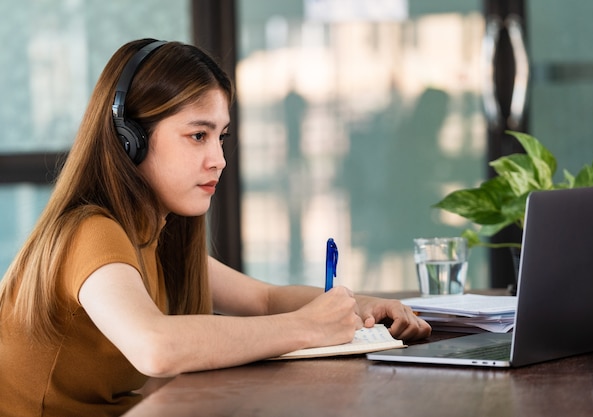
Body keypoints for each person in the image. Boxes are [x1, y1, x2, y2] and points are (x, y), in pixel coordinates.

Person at [0, 39, 431, 417]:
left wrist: (362, 306)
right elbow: (155, 345)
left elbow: (263, 300)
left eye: (221, 136)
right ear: (129, 138)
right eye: (197, 136)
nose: (218, 159)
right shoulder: (90, 231)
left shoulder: (155, 233)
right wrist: (309, 327)